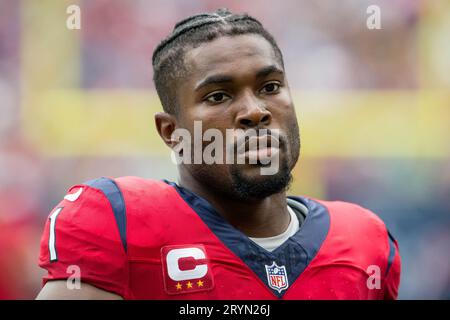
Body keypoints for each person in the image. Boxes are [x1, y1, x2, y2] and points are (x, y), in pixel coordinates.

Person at [36, 8, 400, 300]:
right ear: (171, 132)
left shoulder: (364, 242)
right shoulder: (115, 222)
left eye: (270, 87)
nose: (255, 111)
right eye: (218, 96)